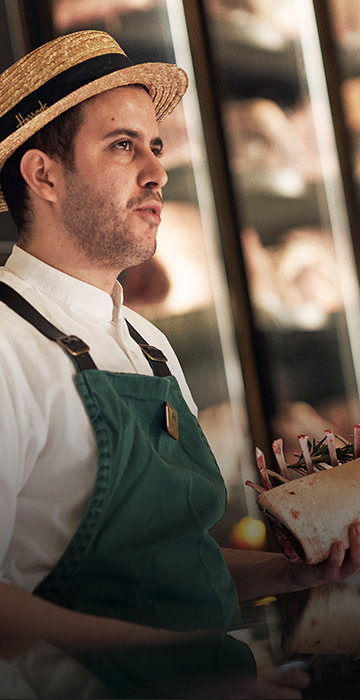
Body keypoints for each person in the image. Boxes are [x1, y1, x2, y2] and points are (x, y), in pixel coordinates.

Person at [0, 29, 359, 700]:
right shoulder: (6, 348)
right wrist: (185, 678)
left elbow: (163, 571)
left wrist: (292, 575)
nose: (157, 169)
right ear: (43, 174)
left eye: (155, 145)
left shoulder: (146, 341)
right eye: (122, 145)